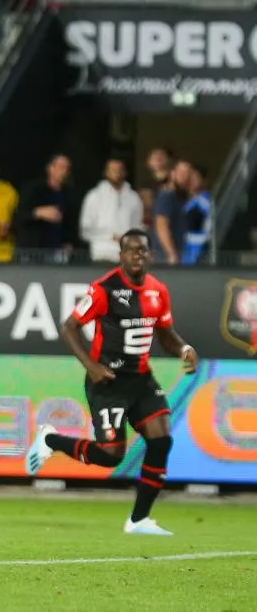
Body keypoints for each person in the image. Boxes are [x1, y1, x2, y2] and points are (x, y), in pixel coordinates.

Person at [25, 229, 198, 536]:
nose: (137, 256)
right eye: (131, 251)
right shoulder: (104, 289)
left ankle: (138, 520)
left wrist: (184, 348)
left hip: (141, 380)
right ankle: (51, 440)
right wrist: (91, 366)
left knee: (161, 440)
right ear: (121, 256)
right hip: (108, 382)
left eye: (142, 251)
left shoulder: (158, 291)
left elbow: (165, 334)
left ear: (150, 255)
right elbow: (69, 328)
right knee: (110, 455)